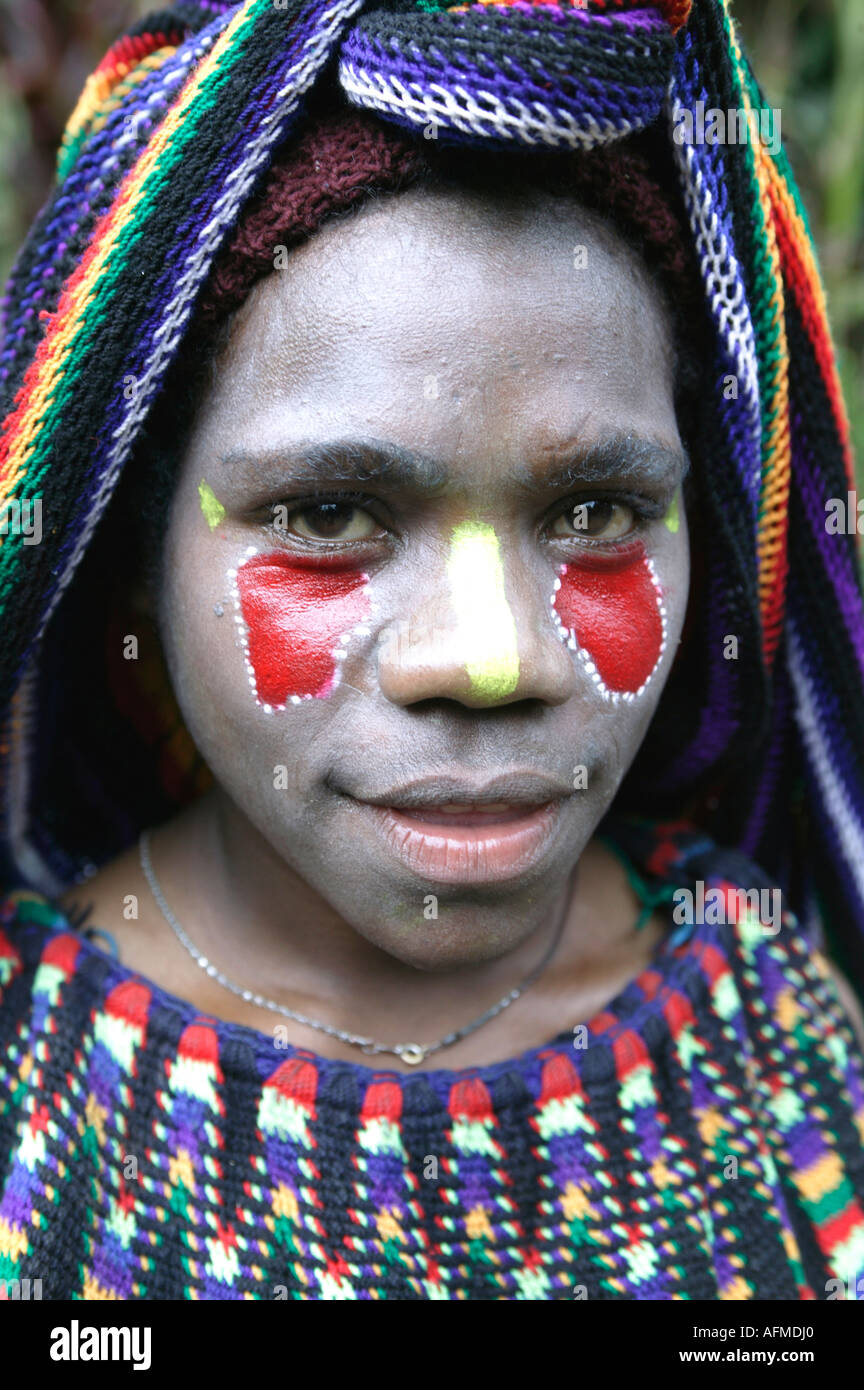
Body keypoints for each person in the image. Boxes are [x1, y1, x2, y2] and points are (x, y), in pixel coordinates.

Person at [0, 0, 863, 1302]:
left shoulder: (791, 1025)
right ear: (136, 537)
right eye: (334, 513)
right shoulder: (27, 1087)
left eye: (594, 512)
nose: (489, 657)